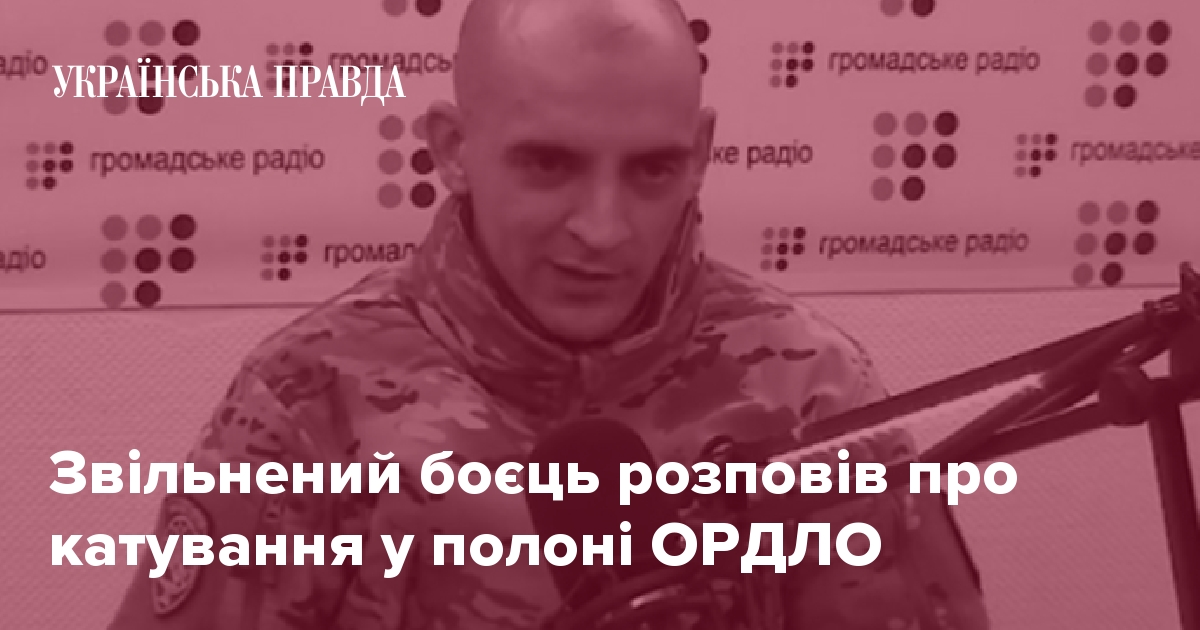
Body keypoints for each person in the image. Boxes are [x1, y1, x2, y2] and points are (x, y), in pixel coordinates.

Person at [108, 0, 990, 628]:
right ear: (453, 149)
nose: (603, 230)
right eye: (548, 164)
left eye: (651, 170)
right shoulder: (308, 401)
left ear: (700, 155)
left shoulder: (813, 392)